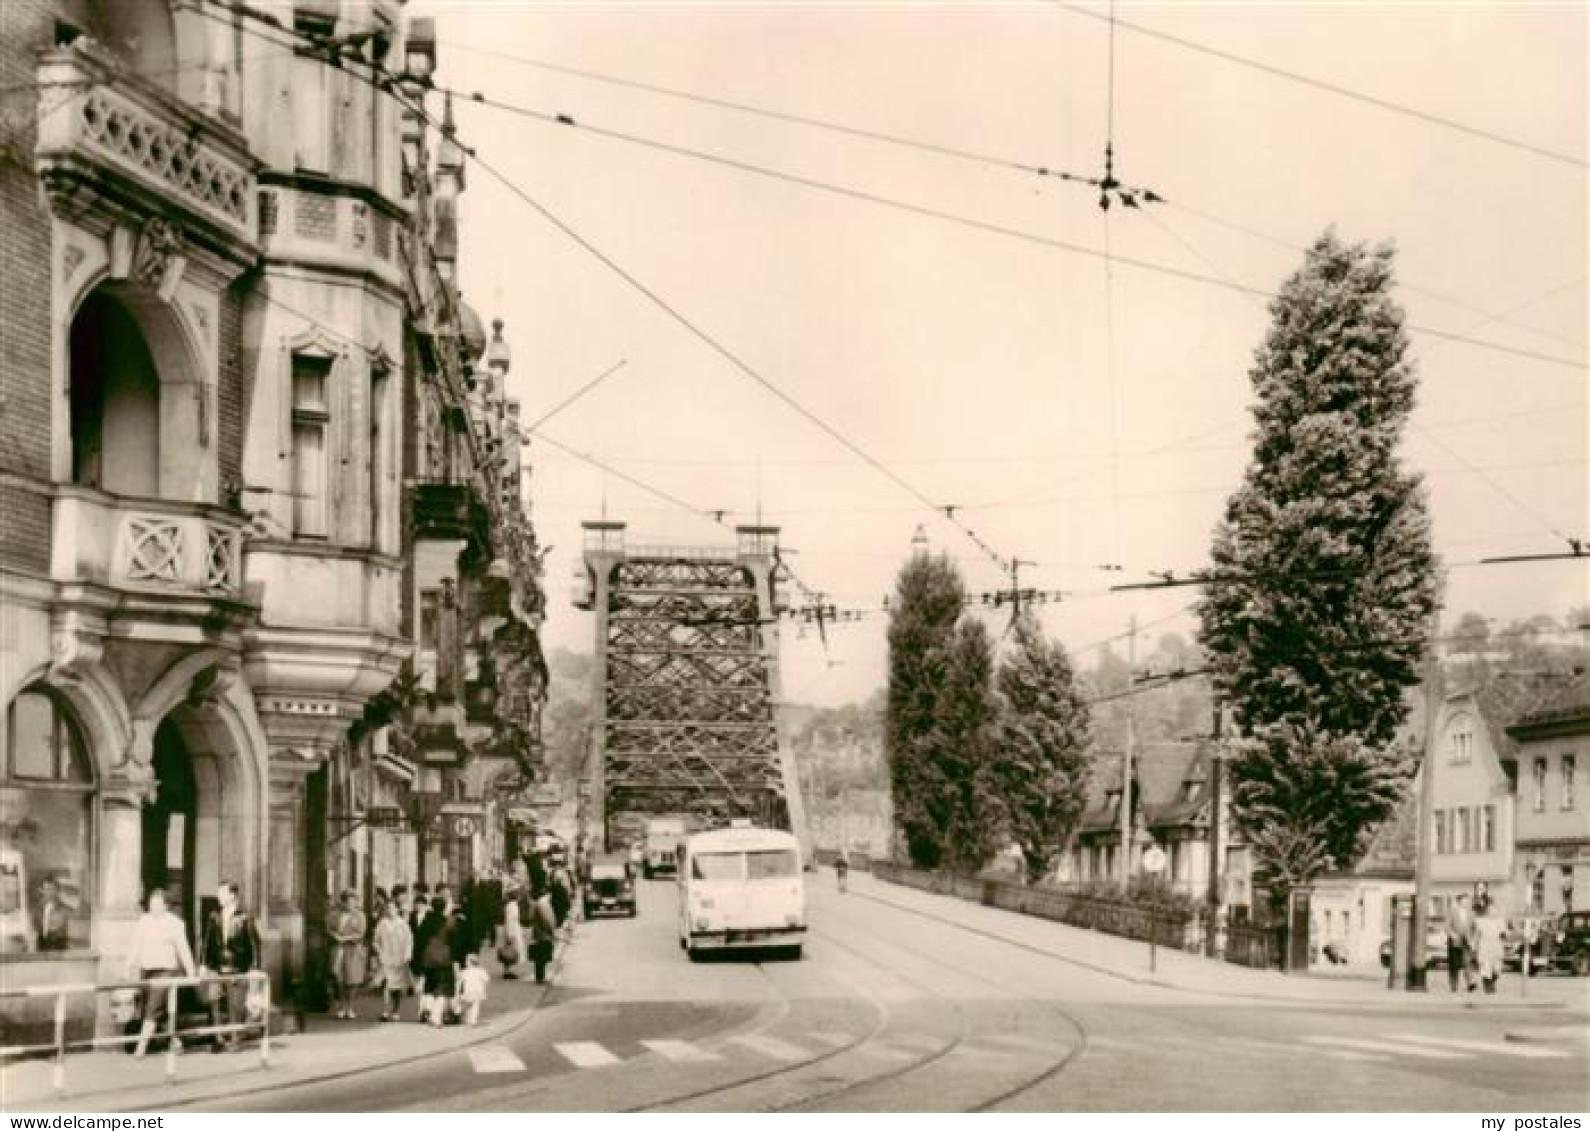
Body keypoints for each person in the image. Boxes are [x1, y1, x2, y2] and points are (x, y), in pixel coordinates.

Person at [126, 888, 196, 1059]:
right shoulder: (144, 921)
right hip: (147, 970)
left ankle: (141, 1048)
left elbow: (183, 949)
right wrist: (127, 966)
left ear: (166, 906)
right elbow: (136, 945)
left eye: (157, 904)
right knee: (155, 1009)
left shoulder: (174, 923)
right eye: (151, 904)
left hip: (166, 971)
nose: (153, 907)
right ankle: (175, 1041)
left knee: (153, 1008)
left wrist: (191, 971)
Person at [199, 880, 262, 1053]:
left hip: (238, 967)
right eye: (219, 893)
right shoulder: (214, 916)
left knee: (236, 1005)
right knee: (214, 1003)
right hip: (217, 966)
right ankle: (217, 1038)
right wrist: (203, 964)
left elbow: (254, 943)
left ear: (233, 895)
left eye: (222, 893)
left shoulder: (244, 917)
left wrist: (255, 968)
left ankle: (235, 1040)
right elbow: (207, 942)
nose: (219, 896)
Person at [328, 889, 367, 1020]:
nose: (351, 904)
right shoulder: (335, 914)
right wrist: (334, 935)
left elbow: (361, 933)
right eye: (348, 902)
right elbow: (329, 928)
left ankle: (350, 1007)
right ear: (343, 902)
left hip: (353, 949)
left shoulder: (360, 916)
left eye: (353, 902)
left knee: (352, 979)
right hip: (338, 949)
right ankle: (341, 1007)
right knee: (339, 978)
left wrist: (346, 938)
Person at [417, 896, 455, 1027]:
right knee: (442, 987)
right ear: (444, 907)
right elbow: (454, 940)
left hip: (428, 957)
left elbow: (419, 940)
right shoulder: (448, 922)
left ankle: (426, 1009)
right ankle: (435, 1016)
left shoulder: (426, 921)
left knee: (429, 984)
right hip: (444, 958)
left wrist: (418, 959)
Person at [372, 900, 413, 1021]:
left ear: (397, 909)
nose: (390, 911)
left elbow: (409, 941)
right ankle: (385, 1011)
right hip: (386, 958)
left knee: (398, 988)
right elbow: (375, 940)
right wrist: (379, 951)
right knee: (387, 985)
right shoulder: (382, 923)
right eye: (387, 908)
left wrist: (407, 955)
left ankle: (396, 1011)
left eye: (392, 908)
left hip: (400, 959)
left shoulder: (403, 924)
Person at [527, 882, 557, 985]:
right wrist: (552, 931)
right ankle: (540, 977)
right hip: (543, 934)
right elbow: (547, 920)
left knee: (540, 957)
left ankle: (540, 977)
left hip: (539, 933)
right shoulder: (543, 903)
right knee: (542, 956)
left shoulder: (539, 903)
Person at [1474, 900, 1506, 994]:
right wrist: (1474, 947)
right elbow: (1477, 935)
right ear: (1488, 911)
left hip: (1497, 947)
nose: (1493, 912)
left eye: (1495, 910)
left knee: (1497, 970)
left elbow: (1504, 934)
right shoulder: (1481, 921)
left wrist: (1504, 934)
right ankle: (1488, 987)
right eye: (1491, 910)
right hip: (1485, 947)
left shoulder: (1501, 921)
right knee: (1486, 969)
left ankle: (1492, 982)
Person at [1444, 893, 1474, 993]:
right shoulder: (1452, 911)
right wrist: (1452, 935)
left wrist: (1472, 939)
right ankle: (1453, 985)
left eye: (1468, 900)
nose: (1466, 902)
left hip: (1467, 941)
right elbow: (1447, 926)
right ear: (1459, 901)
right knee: (1454, 964)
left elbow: (1474, 927)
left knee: (1467, 962)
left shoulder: (1471, 913)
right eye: (1464, 900)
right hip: (1455, 941)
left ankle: (1470, 983)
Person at [36, 876, 69, 951]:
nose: (49, 892)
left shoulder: (64, 909)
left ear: (57, 891)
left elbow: (60, 929)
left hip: (59, 947)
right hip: (41, 947)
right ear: (42, 891)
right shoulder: (38, 909)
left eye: (52, 889)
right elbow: (36, 928)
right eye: (46, 889)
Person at [457, 952, 490, 1026]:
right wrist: (483, 984)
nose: (465, 962)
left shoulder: (465, 972)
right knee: (476, 1006)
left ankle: (468, 1019)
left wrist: (458, 992)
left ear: (470, 963)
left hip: (468, 991)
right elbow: (486, 979)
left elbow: (460, 981)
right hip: (478, 991)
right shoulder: (481, 971)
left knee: (468, 1005)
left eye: (466, 961)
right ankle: (473, 1020)